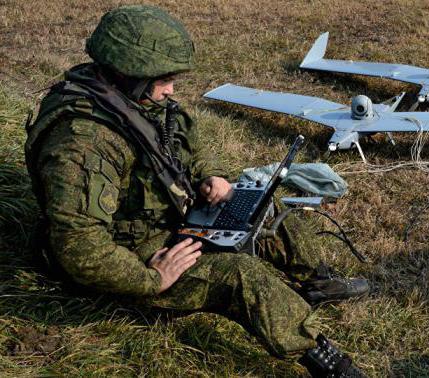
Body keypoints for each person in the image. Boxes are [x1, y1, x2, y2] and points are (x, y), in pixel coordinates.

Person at [24, 5, 368, 377]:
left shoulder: (133, 101)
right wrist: (152, 278)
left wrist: (212, 176)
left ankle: (317, 281)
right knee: (242, 276)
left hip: (172, 216)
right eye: (164, 79)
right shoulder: (86, 142)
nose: (171, 89)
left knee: (262, 202)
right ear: (128, 72)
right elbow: (79, 246)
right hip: (130, 254)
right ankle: (327, 361)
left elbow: (185, 140)